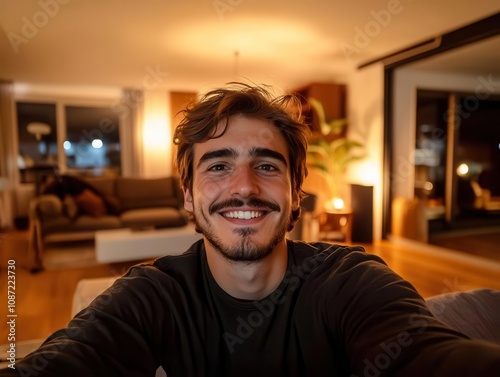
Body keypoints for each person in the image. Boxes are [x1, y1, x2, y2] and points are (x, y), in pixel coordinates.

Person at [2, 83, 500, 377]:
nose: (244, 188)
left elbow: (426, 355)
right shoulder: (151, 294)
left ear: (295, 194)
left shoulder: (351, 280)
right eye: (218, 166)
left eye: (266, 166)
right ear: (188, 197)